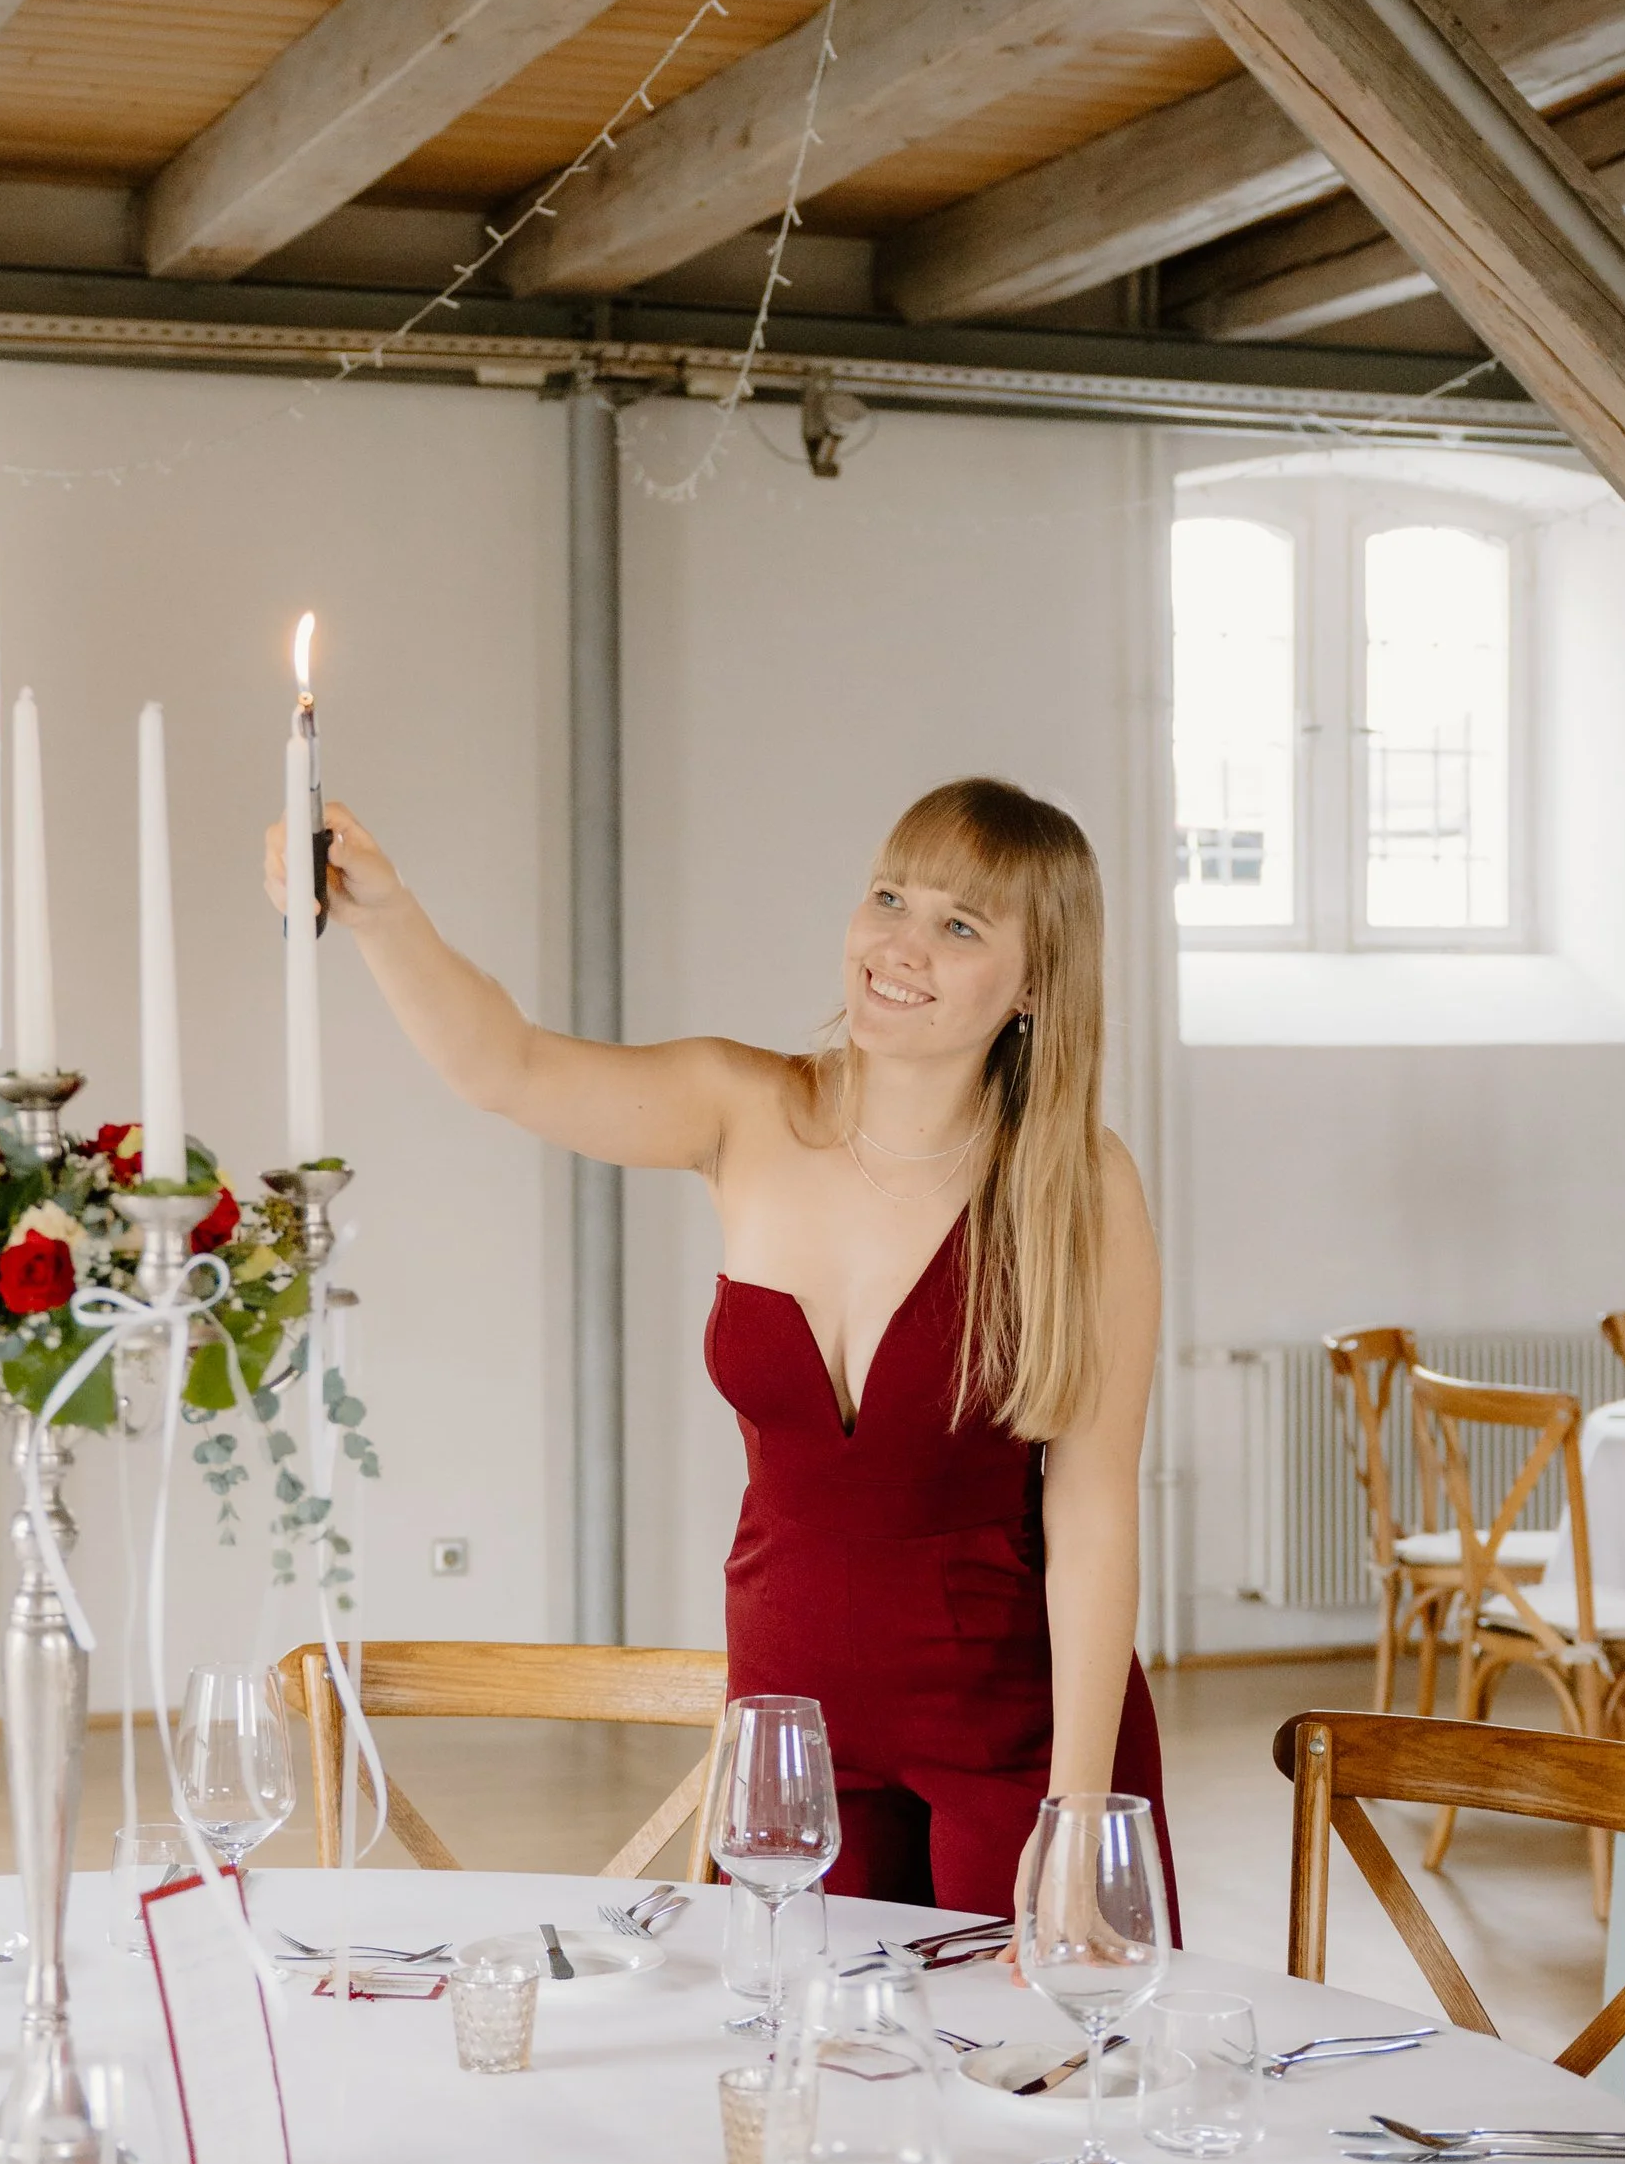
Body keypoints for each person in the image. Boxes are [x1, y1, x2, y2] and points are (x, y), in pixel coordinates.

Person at [265, 772, 1174, 1927]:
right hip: (794, 1729)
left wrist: (1078, 1820)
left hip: (1015, 1737)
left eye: (958, 925)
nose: (900, 946)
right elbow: (507, 1066)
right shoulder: (742, 1110)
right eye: (889, 898)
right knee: (811, 2076)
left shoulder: (1080, 1188)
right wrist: (381, 912)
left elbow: (1093, 1515)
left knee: (1027, 2081)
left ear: (1037, 982)